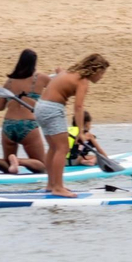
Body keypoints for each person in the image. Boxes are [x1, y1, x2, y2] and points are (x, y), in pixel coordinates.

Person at [34, 53, 109, 197]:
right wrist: (80, 132)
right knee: (63, 148)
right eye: (102, 73)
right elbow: (79, 107)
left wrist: (59, 71)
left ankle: (51, 185)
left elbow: (60, 73)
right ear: (95, 70)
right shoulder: (83, 81)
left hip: (40, 107)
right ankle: (58, 187)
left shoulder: (70, 72)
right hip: (52, 109)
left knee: (54, 148)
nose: (102, 77)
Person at [0, 48, 49, 174]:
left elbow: (0, 107)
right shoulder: (41, 78)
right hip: (27, 125)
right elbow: (56, 89)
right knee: (43, 167)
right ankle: (18, 161)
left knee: (8, 166)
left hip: (8, 125)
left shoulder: (9, 82)